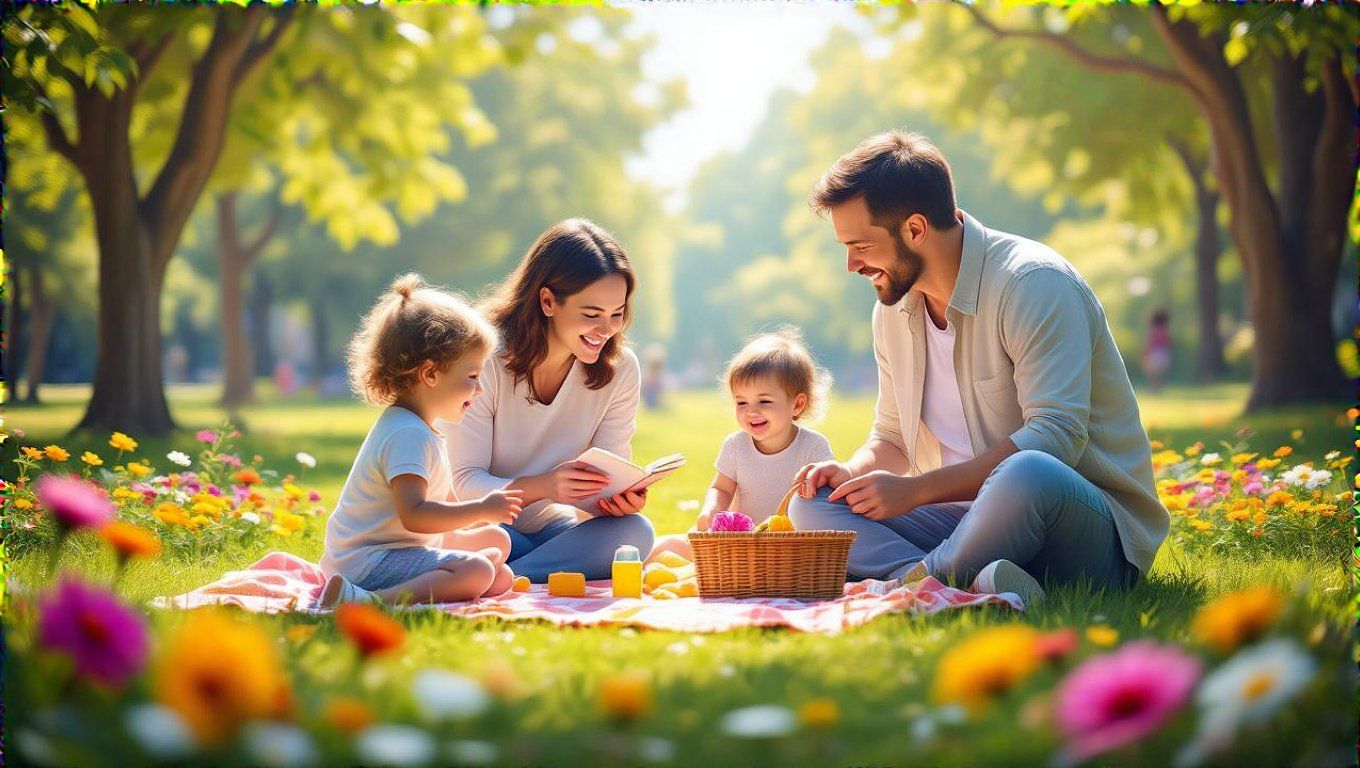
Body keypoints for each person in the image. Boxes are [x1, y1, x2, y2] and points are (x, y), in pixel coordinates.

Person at [788, 131, 1167, 606]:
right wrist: (849, 473)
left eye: (861, 245)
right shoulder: (894, 307)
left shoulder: (1033, 284)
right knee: (813, 504)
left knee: (1027, 470)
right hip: (957, 520)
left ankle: (917, 584)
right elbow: (892, 437)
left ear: (915, 229)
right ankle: (964, 579)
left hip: (1082, 530)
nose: (851, 264)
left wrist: (917, 491)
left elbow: (1056, 436)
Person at [443, 219, 655, 581]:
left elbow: (606, 478)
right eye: (591, 315)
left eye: (616, 315)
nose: (606, 331)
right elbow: (462, 482)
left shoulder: (621, 370)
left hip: (550, 530)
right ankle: (507, 567)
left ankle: (502, 575)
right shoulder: (484, 358)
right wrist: (545, 486)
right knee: (496, 539)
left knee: (635, 533)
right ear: (547, 301)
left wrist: (614, 503)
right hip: (474, 524)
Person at [318, 274, 521, 607]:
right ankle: (366, 602)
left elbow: (446, 509)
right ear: (429, 374)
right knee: (477, 573)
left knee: (498, 556)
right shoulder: (407, 435)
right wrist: (481, 508)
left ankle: (458, 576)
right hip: (369, 562)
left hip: (397, 549)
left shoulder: (421, 428)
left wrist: (482, 521)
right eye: (471, 377)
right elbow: (415, 515)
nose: (479, 389)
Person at [649, 327, 835, 562]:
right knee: (669, 547)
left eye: (764, 401)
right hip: (740, 546)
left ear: (797, 405)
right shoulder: (735, 446)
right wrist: (712, 509)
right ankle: (627, 575)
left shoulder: (813, 447)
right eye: (742, 402)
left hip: (793, 550)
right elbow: (722, 488)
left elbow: (829, 500)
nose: (752, 411)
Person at [1141, 309, 1172, 393]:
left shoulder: (1153, 330)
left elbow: (1150, 343)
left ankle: (1153, 389)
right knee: (1159, 374)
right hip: (1163, 353)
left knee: (1152, 374)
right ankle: (1158, 389)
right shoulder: (1165, 330)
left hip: (1154, 353)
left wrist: (1145, 353)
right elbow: (1168, 343)